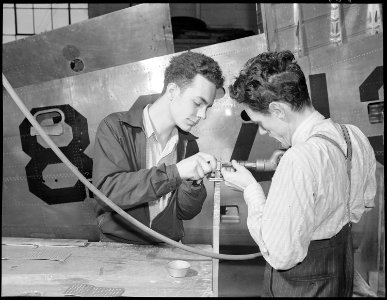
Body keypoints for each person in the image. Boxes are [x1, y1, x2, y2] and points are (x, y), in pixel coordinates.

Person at [221, 50, 376, 297]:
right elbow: (360, 207)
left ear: (279, 110)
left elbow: (281, 255)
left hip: (300, 286)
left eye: (261, 122)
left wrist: (251, 190)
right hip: (340, 273)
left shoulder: (298, 159)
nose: (262, 132)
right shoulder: (354, 136)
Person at [92, 51, 224, 245]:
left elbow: (185, 212)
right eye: (197, 103)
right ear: (172, 91)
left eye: (208, 107)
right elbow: (108, 193)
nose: (202, 115)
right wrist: (175, 172)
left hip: (168, 246)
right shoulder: (115, 128)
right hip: (120, 247)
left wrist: (193, 184)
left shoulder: (188, 144)